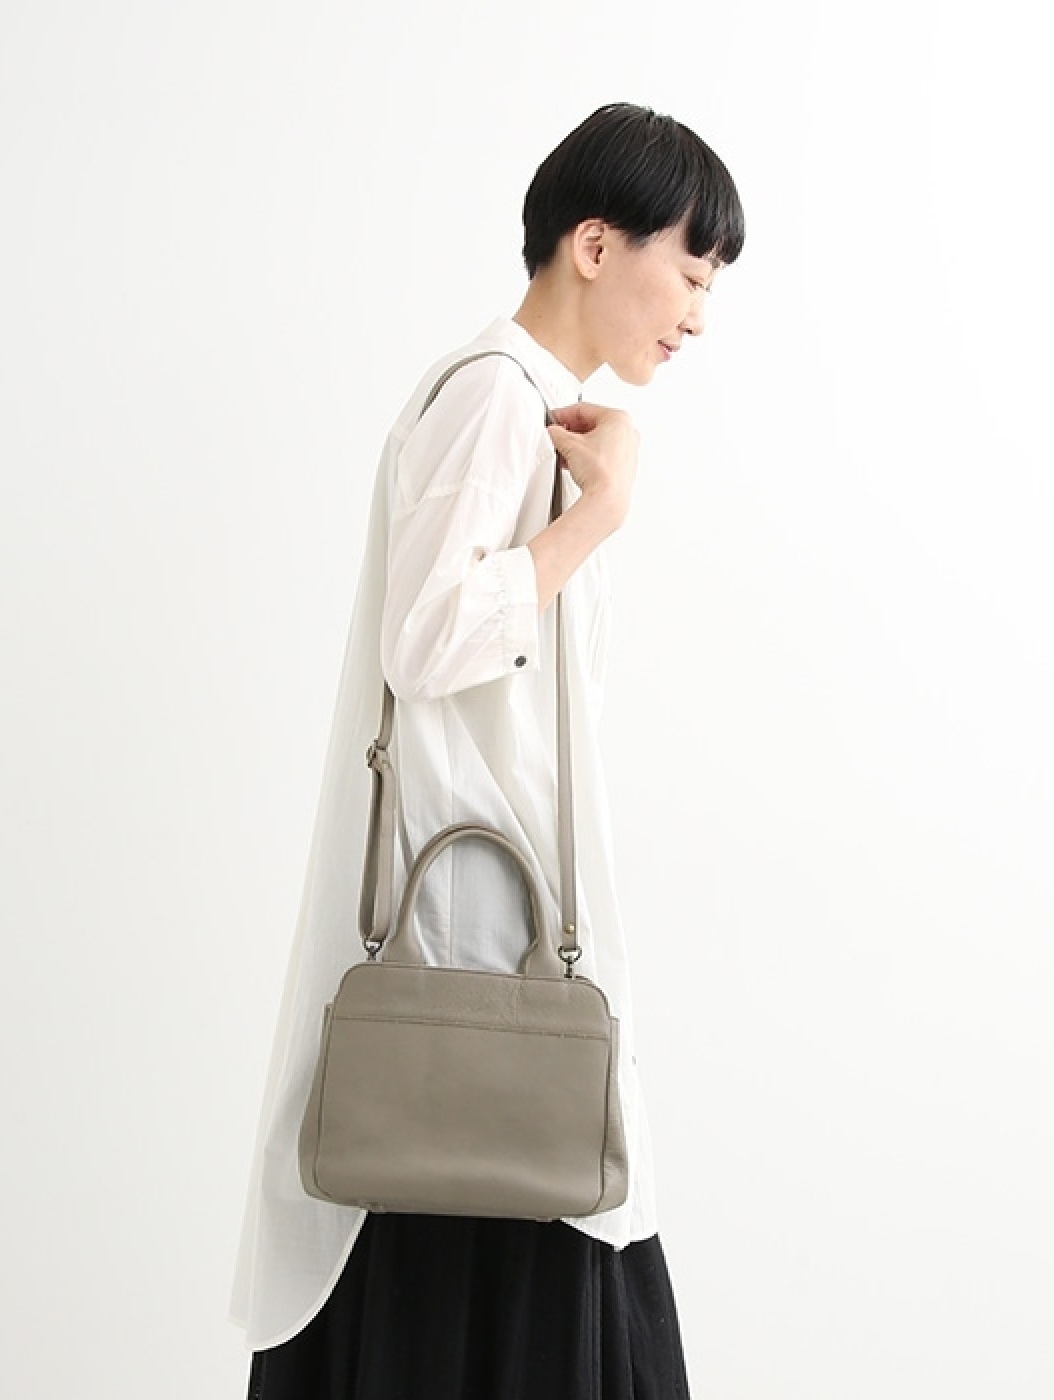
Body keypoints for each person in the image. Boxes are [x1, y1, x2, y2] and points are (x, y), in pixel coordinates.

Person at [229, 101, 745, 1399]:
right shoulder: (490, 400)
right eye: (691, 273)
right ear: (594, 244)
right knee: (533, 1252)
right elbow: (429, 638)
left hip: (495, 938)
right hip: (473, 952)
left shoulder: (525, 404)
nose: (698, 314)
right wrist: (599, 518)